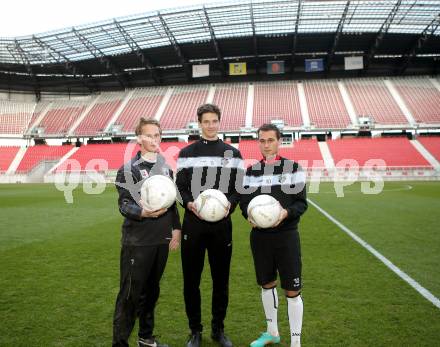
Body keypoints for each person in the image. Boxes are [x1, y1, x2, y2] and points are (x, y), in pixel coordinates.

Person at [176, 103, 243, 347]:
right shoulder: (187, 153)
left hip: (221, 226)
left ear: (219, 122)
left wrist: (230, 206)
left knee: (220, 280)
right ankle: (195, 331)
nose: (211, 125)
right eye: (206, 121)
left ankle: (218, 329)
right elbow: (180, 186)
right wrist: (189, 203)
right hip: (193, 225)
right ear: (199, 123)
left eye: (214, 121)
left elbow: (239, 189)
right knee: (191, 281)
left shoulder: (232, 154)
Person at [112, 117, 181, 347]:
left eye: (157, 135)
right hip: (138, 241)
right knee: (130, 295)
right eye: (149, 135)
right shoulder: (128, 169)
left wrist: (177, 228)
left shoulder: (164, 167)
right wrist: (142, 212)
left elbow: (171, 202)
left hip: (161, 240)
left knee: (151, 293)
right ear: (139, 138)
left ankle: (146, 338)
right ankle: (120, 343)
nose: (154, 139)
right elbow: (123, 204)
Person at [239, 124, 308, 347]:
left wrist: (286, 213)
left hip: (286, 236)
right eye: (262, 140)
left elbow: (301, 203)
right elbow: (243, 202)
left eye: (270, 140)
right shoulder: (251, 172)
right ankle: (272, 332)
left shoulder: (293, 168)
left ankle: (295, 342)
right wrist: (247, 215)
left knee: (292, 289)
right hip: (260, 237)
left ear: (279, 141)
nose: (266, 145)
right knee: (266, 284)